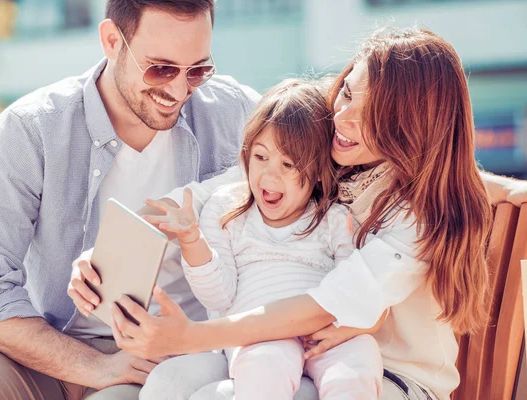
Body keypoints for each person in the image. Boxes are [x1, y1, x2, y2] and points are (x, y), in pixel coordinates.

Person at [85, 27, 527, 400]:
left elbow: (324, 306)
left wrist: (193, 337)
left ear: (412, 125)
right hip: (297, 352)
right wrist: (105, 256)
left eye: (372, 111)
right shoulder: (328, 155)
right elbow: (202, 197)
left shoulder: (418, 214)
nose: (344, 117)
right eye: (348, 92)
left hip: (391, 378)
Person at [0, 1, 261, 399]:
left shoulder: (238, 113)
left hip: (175, 358)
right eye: (161, 68)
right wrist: (95, 366)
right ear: (111, 41)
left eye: (199, 70)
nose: (178, 89)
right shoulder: (32, 129)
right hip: (48, 347)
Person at [140, 78, 384, 400]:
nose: (270, 175)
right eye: (260, 157)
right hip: (259, 336)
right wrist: (191, 241)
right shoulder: (226, 211)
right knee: (264, 365)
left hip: (323, 334)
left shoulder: (335, 218)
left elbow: (354, 288)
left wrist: (344, 330)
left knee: (359, 360)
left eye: (288, 164)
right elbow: (219, 296)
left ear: (317, 174)